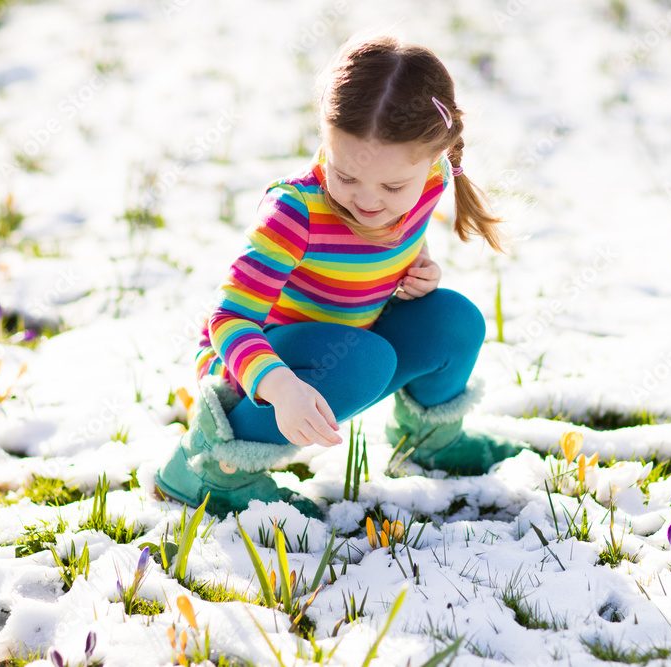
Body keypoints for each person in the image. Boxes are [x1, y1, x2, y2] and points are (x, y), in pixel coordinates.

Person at [154, 36, 522, 519]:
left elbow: (397, 241)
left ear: (436, 155)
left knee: (455, 320)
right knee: (367, 361)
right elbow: (227, 318)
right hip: (257, 361)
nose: (368, 201)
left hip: (352, 338)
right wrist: (281, 386)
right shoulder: (295, 211)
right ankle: (209, 468)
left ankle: (430, 439)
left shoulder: (430, 180)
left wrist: (420, 268)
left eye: (392, 186)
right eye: (346, 175)